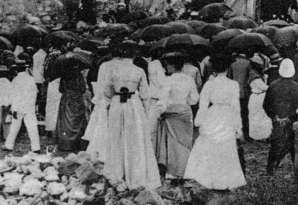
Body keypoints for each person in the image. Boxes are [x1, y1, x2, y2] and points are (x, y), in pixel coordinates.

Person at [99, 40, 161, 190]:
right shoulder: (138, 70)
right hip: (134, 104)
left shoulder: (112, 70)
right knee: (135, 139)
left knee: (116, 137)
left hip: (116, 103)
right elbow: (146, 94)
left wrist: (112, 99)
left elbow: (107, 91)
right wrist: (144, 110)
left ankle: (117, 174)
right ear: (133, 56)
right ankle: (135, 174)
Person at [184, 52, 246, 190]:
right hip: (227, 115)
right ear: (228, 68)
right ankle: (224, 181)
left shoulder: (209, 85)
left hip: (213, 114)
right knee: (226, 148)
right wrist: (238, 127)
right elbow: (236, 107)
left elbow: (203, 106)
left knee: (211, 146)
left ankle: (210, 180)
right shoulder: (233, 85)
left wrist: (199, 122)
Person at [156, 53, 199, 184]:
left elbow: (162, 99)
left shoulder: (168, 80)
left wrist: (161, 111)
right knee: (185, 142)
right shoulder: (189, 79)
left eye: (168, 65)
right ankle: (186, 170)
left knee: (173, 142)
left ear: (173, 66)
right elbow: (194, 99)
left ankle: (173, 172)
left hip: (172, 112)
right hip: (185, 112)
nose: (166, 67)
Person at [263, 58, 298, 175]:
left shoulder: (272, 86)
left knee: (275, 147)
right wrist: (290, 118)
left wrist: (275, 117)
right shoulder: (297, 87)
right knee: (294, 149)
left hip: (277, 122)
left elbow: (266, 105)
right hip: (291, 123)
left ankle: (270, 171)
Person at [3, 55, 41, 153]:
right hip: (29, 107)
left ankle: (9, 145)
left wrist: (13, 108)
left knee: (14, 128)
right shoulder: (31, 79)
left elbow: (14, 95)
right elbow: (35, 93)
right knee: (32, 127)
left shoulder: (16, 80)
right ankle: (36, 147)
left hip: (19, 107)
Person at [56, 61, 91, 152]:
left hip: (67, 99)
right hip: (77, 99)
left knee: (65, 122)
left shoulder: (64, 75)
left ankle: (66, 144)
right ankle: (78, 143)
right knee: (78, 120)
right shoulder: (79, 75)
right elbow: (83, 89)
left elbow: (60, 89)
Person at [248, 56, 272, 141]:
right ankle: (260, 136)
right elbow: (265, 87)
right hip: (258, 97)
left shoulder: (254, 74)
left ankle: (259, 135)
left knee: (257, 116)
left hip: (257, 96)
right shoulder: (255, 77)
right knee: (259, 116)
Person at [230, 52, 252, 141]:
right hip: (245, 92)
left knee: (235, 113)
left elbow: (230, 77)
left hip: (234, 91)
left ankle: (235, 133)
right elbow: (249, 78)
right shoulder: (248, 63)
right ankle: (246, 134)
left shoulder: (232, 64)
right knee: (245, 114)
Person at [0, 64, 13, 143]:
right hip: (6, 103)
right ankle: (7, 136)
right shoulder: (8, 82)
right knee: (6, 122)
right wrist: (8, 104)